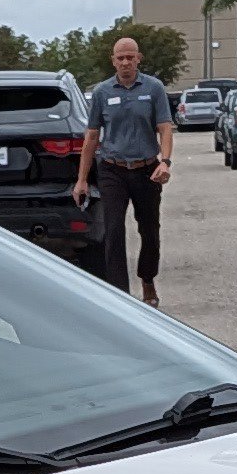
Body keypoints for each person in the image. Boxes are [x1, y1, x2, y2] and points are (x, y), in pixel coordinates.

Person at [74, 35, 174, 302]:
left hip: (147, 169)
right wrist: (81, 180)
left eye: (131, 57)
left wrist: (165, 161)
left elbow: (164, 127)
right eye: (121, 58)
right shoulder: (102, 92)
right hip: (112, 170)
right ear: (113, 61)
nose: (126, 62)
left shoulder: (153, 89)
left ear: (138, 58)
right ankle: (120, 294)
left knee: (150, 230)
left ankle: (148, 279)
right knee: (114, 229)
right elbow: (92, 137)